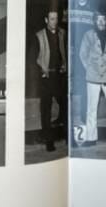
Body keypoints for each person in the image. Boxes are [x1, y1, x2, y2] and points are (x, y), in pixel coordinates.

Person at [79, 12, 106, 148]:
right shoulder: (88, 36)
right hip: (93, 76)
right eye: (97, 20)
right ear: (94, 21)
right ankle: (91, 138)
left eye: (103, 20)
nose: (100, 22)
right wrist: (90, 69)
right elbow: (83, 55)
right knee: (91, 109)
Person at [35, 9, 67, 151]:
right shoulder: (39, 36)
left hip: (59, 76)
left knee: (65, 105)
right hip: (46, 78)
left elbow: (63, 51)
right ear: (46, 20)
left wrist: (64, 65)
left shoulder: (62, 33)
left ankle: (67, 137)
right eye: (52, 19)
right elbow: (33, 58)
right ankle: (49, 141)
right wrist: (41, 70)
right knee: (46, 110)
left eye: (56, 18)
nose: (55, 21)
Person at [68, 0, 96, 135]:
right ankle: (68, 117)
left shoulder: (92, 11)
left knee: (87, 85)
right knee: (70, 85)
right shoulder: (70, 8)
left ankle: (85, 116)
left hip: (87, 55)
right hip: (73, 53)